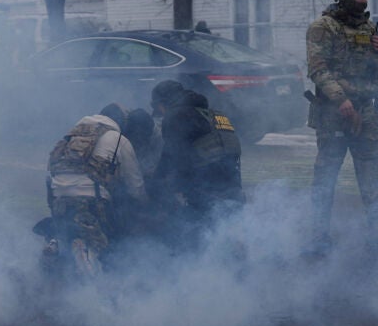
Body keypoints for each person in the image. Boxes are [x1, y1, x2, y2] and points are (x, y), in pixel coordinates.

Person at [305, 0, 378, 255]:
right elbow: (318, 69)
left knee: (373, 177)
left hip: (365, 112)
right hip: (334, 113)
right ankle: (318, 239)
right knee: (326, 177)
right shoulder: (323, 26)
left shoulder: (368, 28)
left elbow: (375, 72)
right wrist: (340, 100)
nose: (363, 1)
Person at [41, 107, 147, 277]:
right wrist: (143, 205)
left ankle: (57, 242)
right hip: (94, 202)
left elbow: (50, 171)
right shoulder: (118, 139)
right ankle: (95, 273)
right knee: (107, 243)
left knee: (66, 230)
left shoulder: (69, 138)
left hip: (59, 199)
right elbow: (136, 186)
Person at [150, 79, 244, 246]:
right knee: (227, 235)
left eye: (158, 108)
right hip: (233, 188)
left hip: (205, 191)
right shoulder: (215, 115)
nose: (160, 113)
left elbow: (172, 159)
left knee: (198, 238)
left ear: (163, 103)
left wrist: (154, 187)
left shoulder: (175, 116)